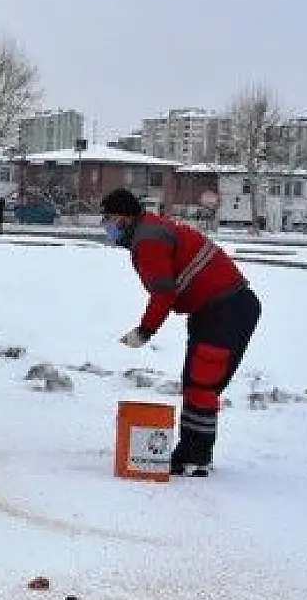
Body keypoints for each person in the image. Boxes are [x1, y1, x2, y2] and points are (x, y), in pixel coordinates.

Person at [101, 188, 261, 476]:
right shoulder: (151, 229)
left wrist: (145, 331)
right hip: (219, 309)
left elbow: (163, 294)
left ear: (124, 218)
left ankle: (194, 458)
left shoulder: (147, 240)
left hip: (224, 310)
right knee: (198, 383)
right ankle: (191, 453)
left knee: (202, 385)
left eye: (109, 219)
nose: (107, 226)